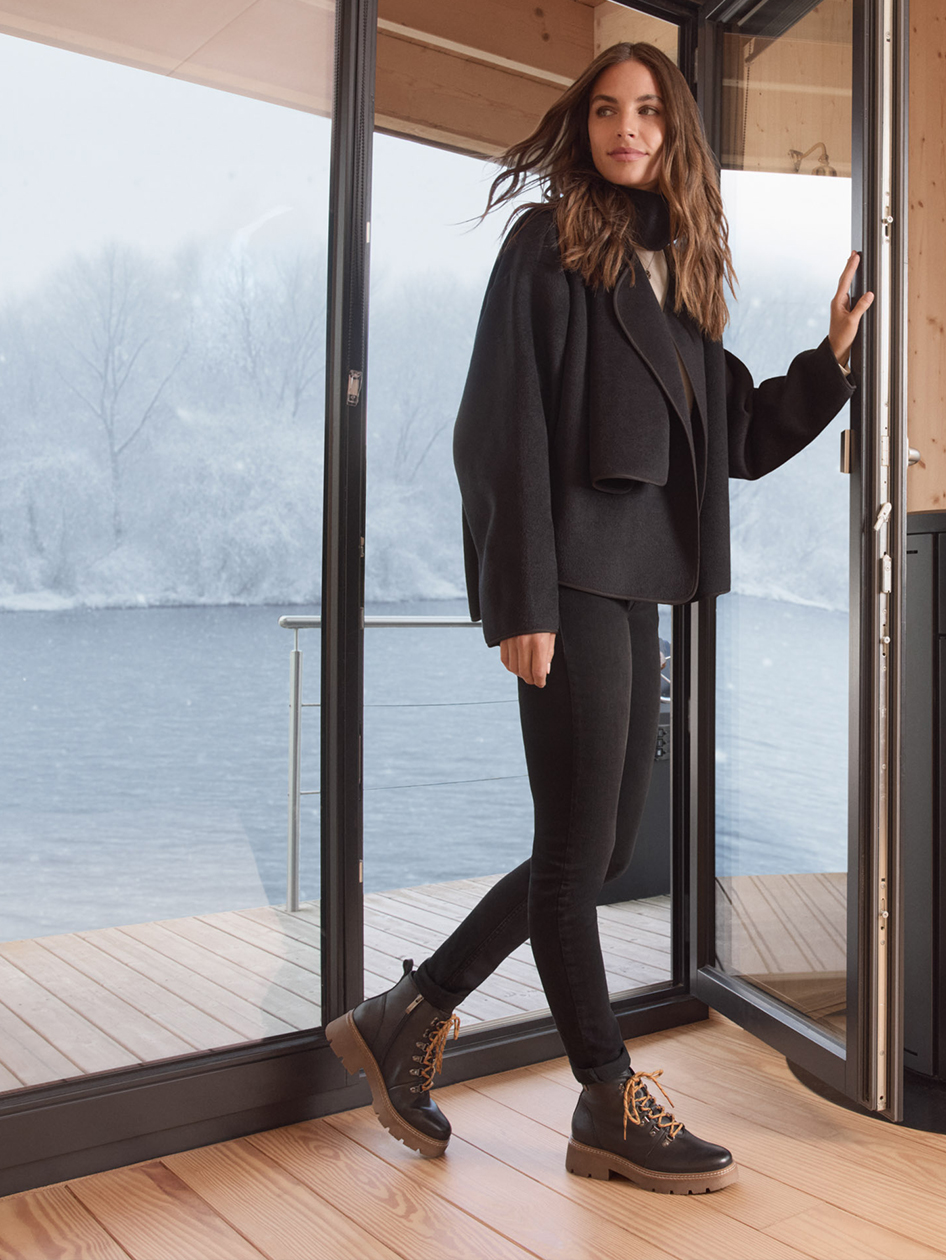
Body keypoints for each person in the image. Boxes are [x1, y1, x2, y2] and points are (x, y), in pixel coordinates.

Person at [327, 41, 872, 1195]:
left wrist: (830, 362)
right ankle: (607, 1096)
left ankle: (407, 1013)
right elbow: (497, 426)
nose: (628, 128)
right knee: (579, 853)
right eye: (609, 111)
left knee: (597, 848)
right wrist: (518, 596)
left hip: (636, 585)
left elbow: (735, 438)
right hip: (567, 583)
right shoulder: (550, 243)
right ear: (585, 127)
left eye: (648, 113)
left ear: (674, 134)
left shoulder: (673, 272)